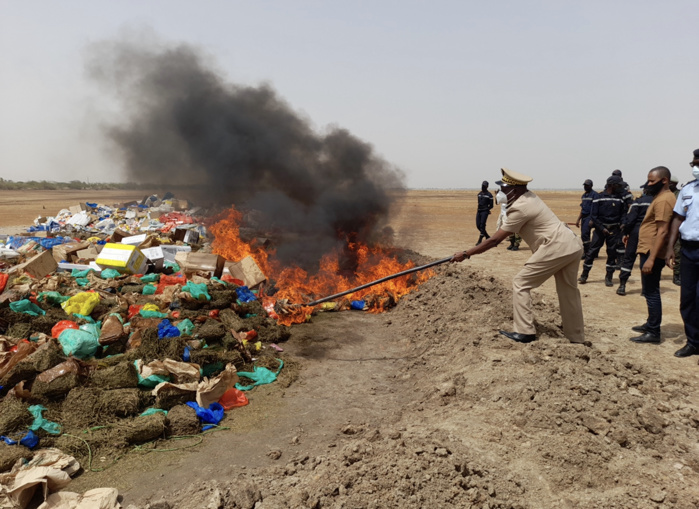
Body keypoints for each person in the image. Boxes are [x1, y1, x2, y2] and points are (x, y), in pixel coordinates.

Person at [451, 167, 585, 344]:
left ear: (514, 190)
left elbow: (494, 241)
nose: (500, 192)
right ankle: (575, 336)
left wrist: (466, 254)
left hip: (557, 246)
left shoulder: (521, 208)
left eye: (504, 189)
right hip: (572, 244)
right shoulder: (530, 197)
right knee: (568, 291)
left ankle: (524, 331)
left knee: (521, 283)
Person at [627, 167, 676, 344]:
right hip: (648, 249)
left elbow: (662, 231)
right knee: (649, 290)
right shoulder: (661, 197)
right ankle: (650, 323)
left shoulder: (664, 200)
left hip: (651, 251)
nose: (648, 184)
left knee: (651, 291)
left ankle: (654, 332)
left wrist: (652, 258)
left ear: (664, 180)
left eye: (652, 181)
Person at [665, 149, 699, 358]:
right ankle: (693, 342)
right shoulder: (688, 190)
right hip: (688, 250)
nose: (695, 168)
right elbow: (677, 219)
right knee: (687, 299)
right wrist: (670, 247)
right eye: (694, 164)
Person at [579, 175, 627, 286]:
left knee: (612, 254)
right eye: (618, 185)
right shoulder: (599, 197)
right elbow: (594, 216)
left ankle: (609, 277)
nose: (620, 187)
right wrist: (602, 228)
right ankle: (584, 275)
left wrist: (623, 223)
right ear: (612, 185)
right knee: (591, 252)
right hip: (600, 231)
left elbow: (623, 213)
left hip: (614, 231)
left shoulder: (620, 198)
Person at [617, 184, 653, 295]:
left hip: (636, 232)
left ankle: (622, 285)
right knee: (646, 260)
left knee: (629, 258)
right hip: (651, 234)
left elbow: (630, 220)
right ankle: (646, 289)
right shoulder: (657, 202)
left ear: (646, 190)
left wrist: (625, 232)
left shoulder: (638, 202)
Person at [575, 179, 597, 258]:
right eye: (584, 185)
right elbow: (582, 209)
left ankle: (587, 253)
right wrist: (578, 220)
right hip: (584, 217)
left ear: (591, 186)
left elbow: (595, 209)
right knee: (584, 235)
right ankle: (587, 251)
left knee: (585, 234)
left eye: (587, 185)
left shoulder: (594, 195)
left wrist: (592, 219)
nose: (585, 187)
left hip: (590, 217)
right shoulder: (584, 196)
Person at [670, 174, 681, 286]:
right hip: (664, 226)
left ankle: (676, 274)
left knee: (677, 251)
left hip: (675, 227)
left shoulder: (679, 195)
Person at [475, 180, 494, 245]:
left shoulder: (489, 195)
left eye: (484, 186)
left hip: (484, 211)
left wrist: (487, 210)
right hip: (479, 211)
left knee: (482, 224)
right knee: (478, 225)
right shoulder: (479, 194)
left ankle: (480, 239)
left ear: (487, 186)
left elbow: (491, 205)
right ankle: (487, 236)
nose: (483, 187)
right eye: (482, 185)